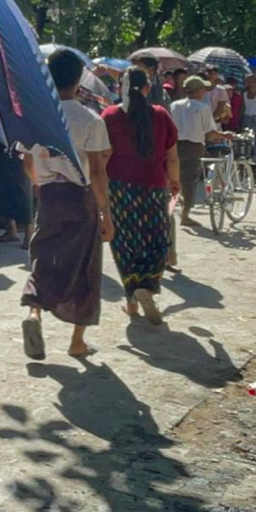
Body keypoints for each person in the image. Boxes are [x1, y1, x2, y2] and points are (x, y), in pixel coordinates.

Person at [19, 49, 112, 360]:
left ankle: (34, 313)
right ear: (78, 81)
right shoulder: (90, 119)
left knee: (43, 256)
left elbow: (28, 162)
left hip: (48, 196)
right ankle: (77, 342)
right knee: (85, 266)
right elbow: (98, 170)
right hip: (79, 197)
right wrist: (106, 213)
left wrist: (41, 181)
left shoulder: (37, 117)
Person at [102, 68, 180, 324]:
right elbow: (172, 156)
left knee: (124, 243)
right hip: (155, 188)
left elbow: (104, 156)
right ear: (148, 88)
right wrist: (176, 181)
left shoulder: (110, 116)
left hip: (120, 191)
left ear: (120, 88)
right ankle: (144, 288)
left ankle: (132, 295)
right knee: (155, 239)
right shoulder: (161, 115)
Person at [169, 76, 227, 225]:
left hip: (173, 146)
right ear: (199, 90)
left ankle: (173, 209)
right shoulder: (202, 107)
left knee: (175, 178)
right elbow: (210, 132)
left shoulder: (174, 105)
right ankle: (185, 214)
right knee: (189, 182)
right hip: (193, 148)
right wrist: (224, 135)